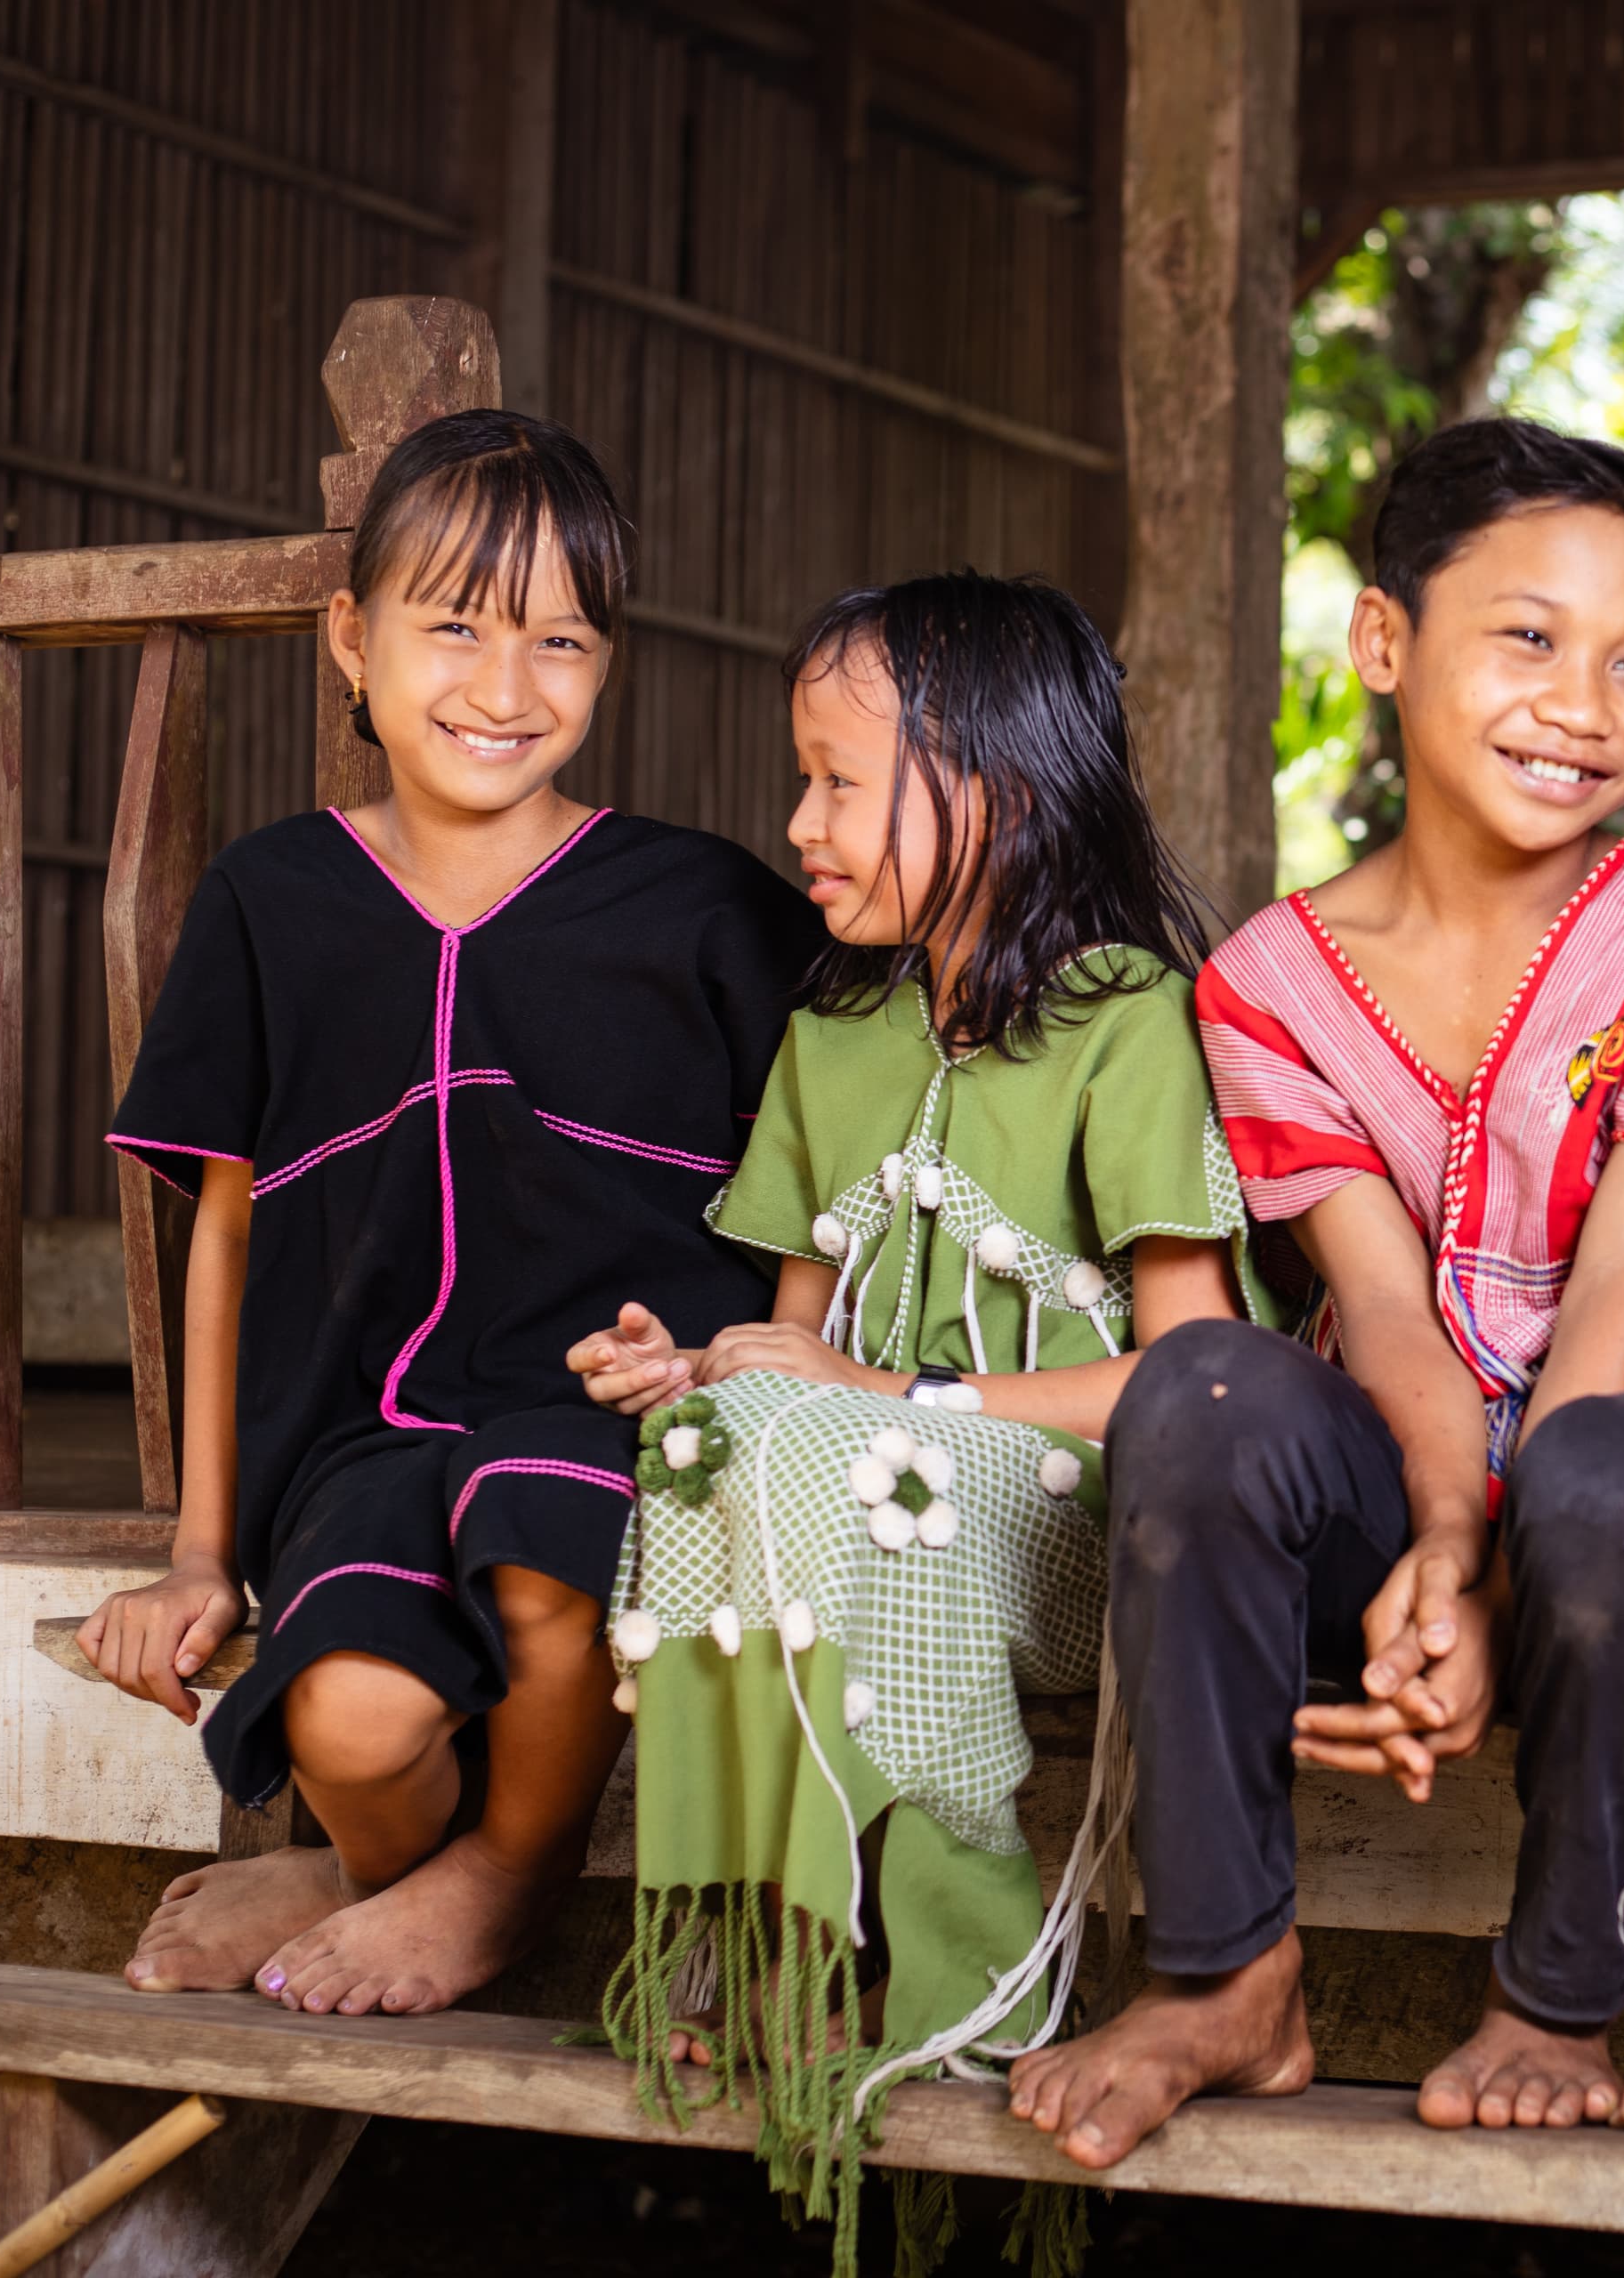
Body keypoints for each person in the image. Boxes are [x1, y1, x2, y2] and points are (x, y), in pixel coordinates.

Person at [1005, 418, 1624, 2169]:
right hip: (1425, 1515)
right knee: (1209, 1388)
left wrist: (1486, 1560)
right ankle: (1227, 1971)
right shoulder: (1270, 981)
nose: (1585, 703)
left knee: (1608, 1472)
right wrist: (1442, 1544)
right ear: (1385, 641)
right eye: (1530, 638)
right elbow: (1389, 1315)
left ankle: (1561, 1988)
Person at [82, 409, 825, 2016]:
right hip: (367, 1432)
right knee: (347, 1722)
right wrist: (200, 1547)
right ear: (353, 638)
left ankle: (507, 1880)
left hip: (613, 1411)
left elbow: (827, 1186)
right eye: (457, 628)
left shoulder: (703, 910)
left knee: (551, 1547)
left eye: (561, 639)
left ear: (609, 660)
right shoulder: (272, 901)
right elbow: (223, 1231)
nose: (508, 687)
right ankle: (361, 1869)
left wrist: (752, 1370)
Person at [567, 572, 1268, 2247]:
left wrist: (891, 1392)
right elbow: (789, 1347)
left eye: (837, 780)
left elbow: (1192, 1375)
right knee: (707, 1443)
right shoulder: (836, 1032)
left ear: (1000, 794)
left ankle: (971, 1975)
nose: (798, 822)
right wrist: (696, 1372)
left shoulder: (1128, 1023)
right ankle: (758, 1940)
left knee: (845, 1446)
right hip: (866, 1498)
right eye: (800, 778)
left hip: (1071, 1537)